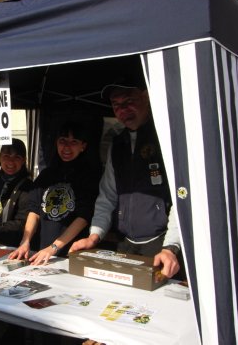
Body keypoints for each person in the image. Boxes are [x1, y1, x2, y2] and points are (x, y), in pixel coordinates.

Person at [69, 80, 181, 279]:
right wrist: (94, 235)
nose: (122, 110)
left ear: (146, 97)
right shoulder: (117, 143)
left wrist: (172, 246)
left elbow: (183, 197)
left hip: (162, 245)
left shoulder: (167, 137)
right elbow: (108, 195)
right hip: (125, 243)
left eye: (129, 101)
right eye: (116, 104)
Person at [10, 121, 101, 265]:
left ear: (83, 146)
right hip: (42, 254)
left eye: (74, 142)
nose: (66, 147)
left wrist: (53, 247)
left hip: (71, 255)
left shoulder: (90, 176)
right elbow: (34, 210)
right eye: (62, 141)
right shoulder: (47, 174)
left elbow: (83, 217)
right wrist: (25, 241)